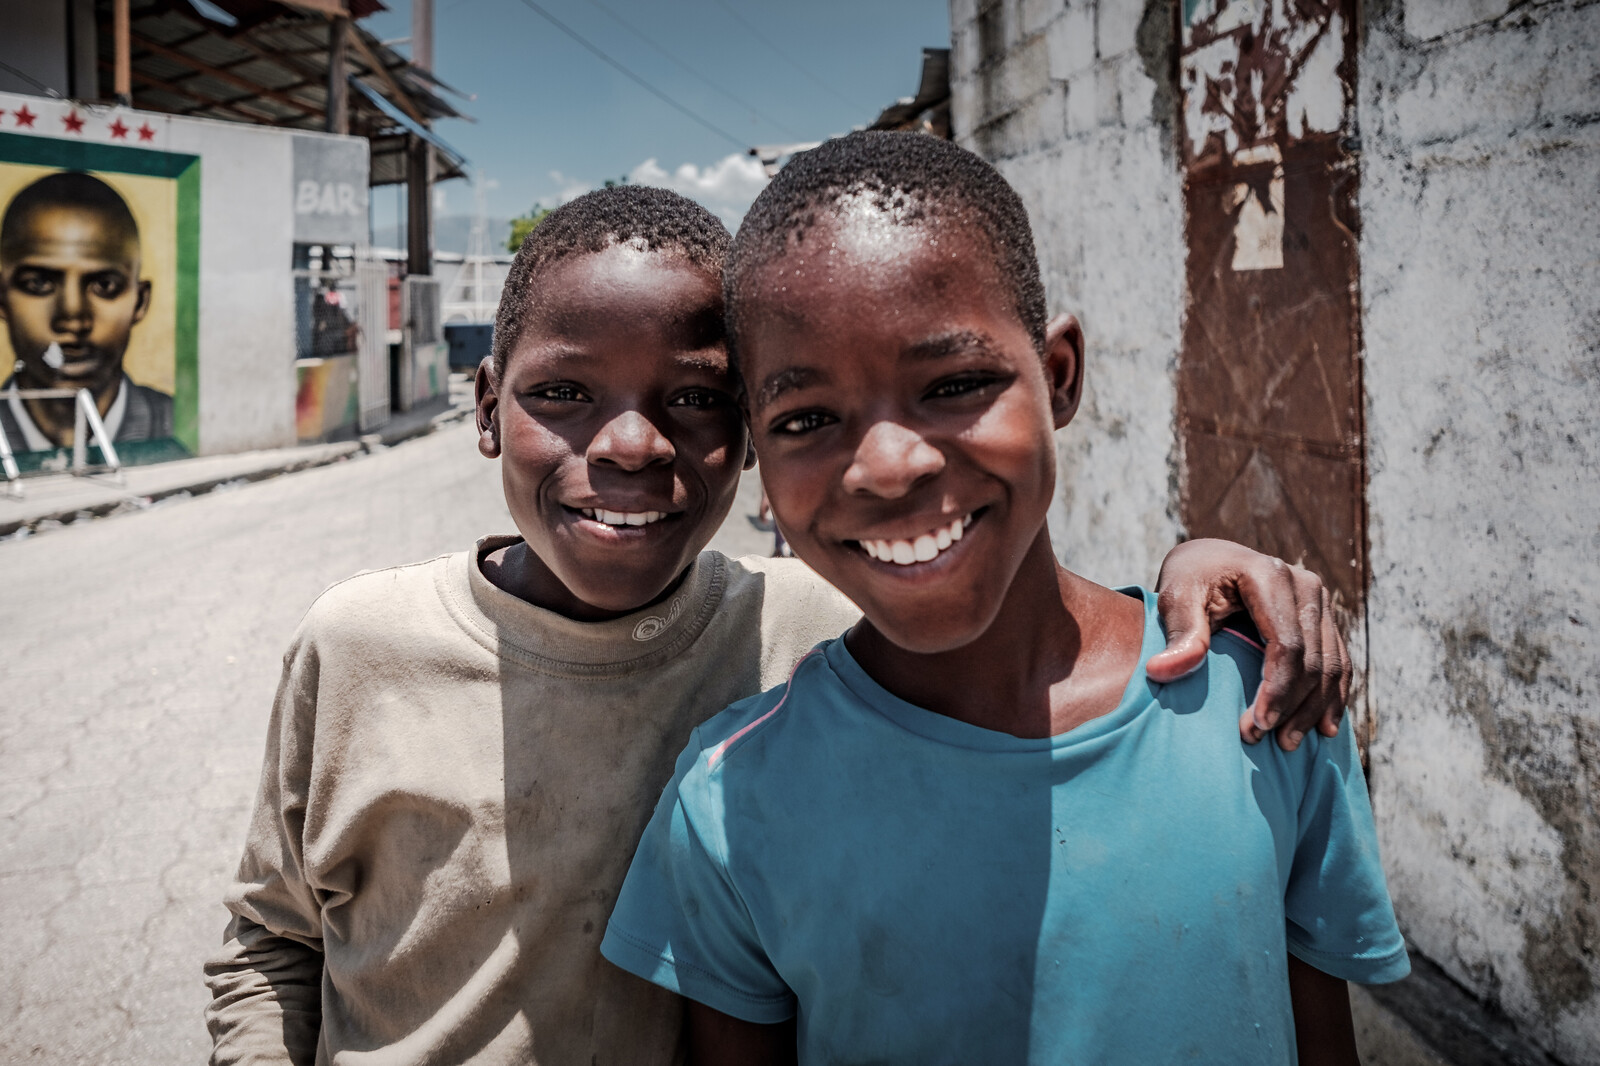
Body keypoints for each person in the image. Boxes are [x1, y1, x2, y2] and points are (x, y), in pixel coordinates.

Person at [205, 185, 1355, 1066]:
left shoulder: (806, 615)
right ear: (486, 409)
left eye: (695, 400)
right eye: (561, 394)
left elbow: (996, 598)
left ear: (748, 435)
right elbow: (271, 941)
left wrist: (1198, 565)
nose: (628, 446)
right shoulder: (358, 643)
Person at [601, 134, 1407, 1065]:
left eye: (955, 385)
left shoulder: (1264, 698)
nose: (890, 465)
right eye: (807, 419)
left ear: (1058, 376)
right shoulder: (734, 800)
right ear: (757, 453)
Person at [0, 170, 172, 451]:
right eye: (39, 283)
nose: (74, 318)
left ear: (139, 302)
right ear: (2, 298)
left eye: (104, 285)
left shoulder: (175, 420)